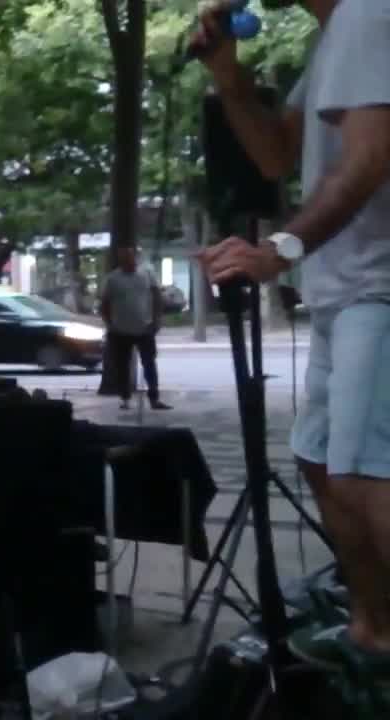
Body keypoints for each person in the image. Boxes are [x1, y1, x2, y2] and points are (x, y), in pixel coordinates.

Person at [192, 0, 390, 670]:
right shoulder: (335, 38)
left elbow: (366, 162)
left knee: (366, 475)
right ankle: (372, 627)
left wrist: (279, 248)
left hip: (380, 291)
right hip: (343, 293)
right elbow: (276, 156)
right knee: (320, 460)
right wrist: (228, 77)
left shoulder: (369, 13)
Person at [100, 244, 171, 411]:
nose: (128, 260)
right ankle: (125, 398)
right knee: (122, 366)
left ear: (135, 258)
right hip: (120, 331)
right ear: (120, 260)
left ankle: (154, 398)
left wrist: (156, 320)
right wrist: (110, 325)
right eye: (124, 258)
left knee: (149, 364)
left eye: (130, 256)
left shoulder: (147, 274)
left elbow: (157, 297)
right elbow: (105, 304)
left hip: (144, 328)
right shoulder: (113, 279)